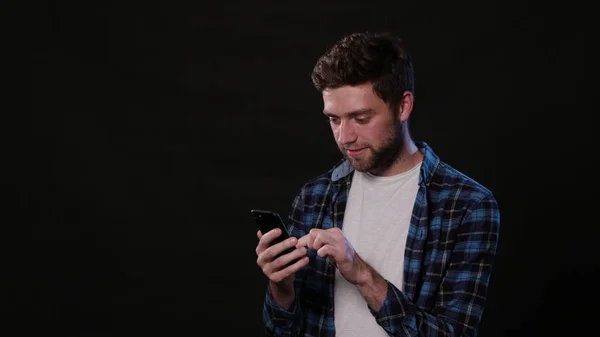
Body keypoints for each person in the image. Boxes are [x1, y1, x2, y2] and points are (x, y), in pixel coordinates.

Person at [255, 31, 500, 337]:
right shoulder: (315, 196)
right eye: (334, 119)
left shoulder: (467, 205)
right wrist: (282, 287)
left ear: (403, 106)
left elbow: (453, 333)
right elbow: (281, 330)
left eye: (361, 118)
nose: (345, 137)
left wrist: (361, 274)